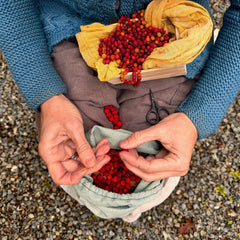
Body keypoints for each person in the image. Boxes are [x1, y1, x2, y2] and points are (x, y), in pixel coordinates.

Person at [0, 0, 239, 187]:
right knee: (74, 140)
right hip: (67, 24)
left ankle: (142, 197)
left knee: (156, 141)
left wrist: (198, 115)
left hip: (169, 33)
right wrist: (46, 94)